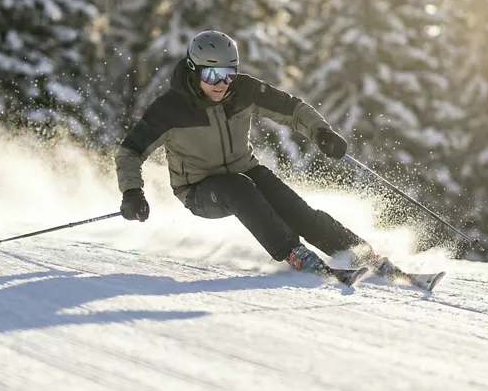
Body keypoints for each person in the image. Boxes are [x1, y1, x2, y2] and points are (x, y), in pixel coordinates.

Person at [114, 30, 400, 278]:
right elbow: (130, 151)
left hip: (244, 169)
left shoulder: (243, 91)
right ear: (193, 69)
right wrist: (132, 193)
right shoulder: (170, 109)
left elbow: (292, 108)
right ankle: (292, 252)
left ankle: (360, 254)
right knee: (238, 187)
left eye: (229, 74)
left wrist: (321, 132)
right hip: (198, 189)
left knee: (294, 208)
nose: (221, 83)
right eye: (211, 74)